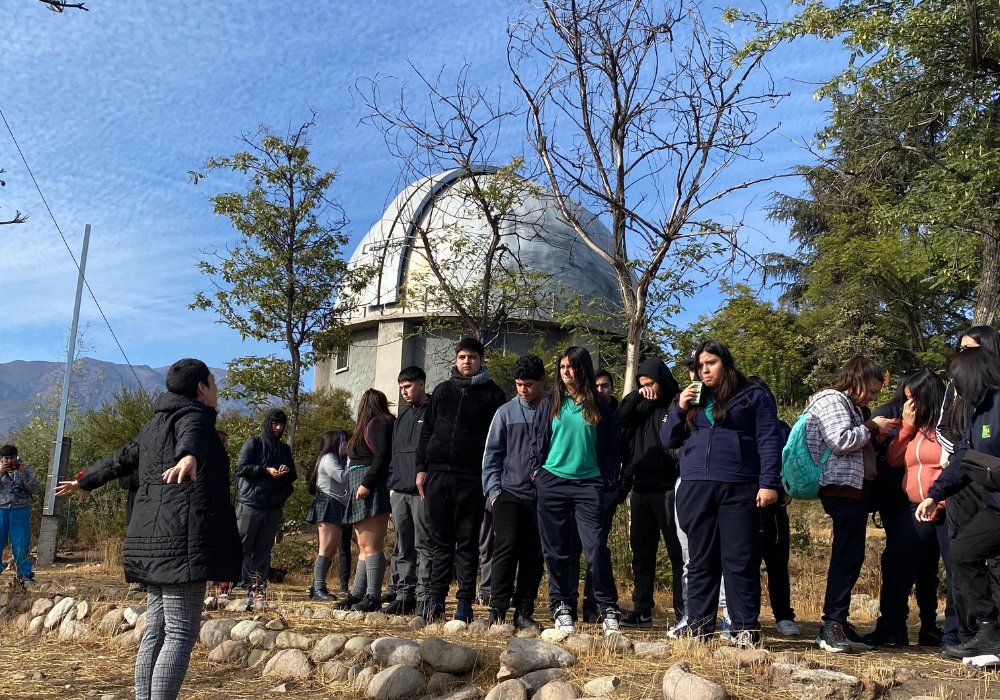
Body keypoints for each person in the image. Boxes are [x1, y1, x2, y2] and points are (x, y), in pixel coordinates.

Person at [56, 358, 241, 700]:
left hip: (153, 539)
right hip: (183, 540)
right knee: (181, 632)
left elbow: (120, 458)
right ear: (201, 388)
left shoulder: (154, 425)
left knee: (156, 629)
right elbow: (193, 437)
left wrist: (85, 481)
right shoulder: (195, 416)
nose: (217, 388)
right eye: (213, 382)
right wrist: (188, 456)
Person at [661, 340, 783, 647]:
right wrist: (680, 407)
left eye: (711, 363)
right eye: (700, 366)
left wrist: (769, 483)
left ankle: (744, 629)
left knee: (740, 560)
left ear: (725, 364)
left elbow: (769, 439)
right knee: (700, 562)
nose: (704, 370)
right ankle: (699, 628)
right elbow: (668, 440)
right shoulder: (691, 399)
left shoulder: (753, 395)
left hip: (741, 486)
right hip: (695, 486)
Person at [805, 356, 897, 653]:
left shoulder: (847, 404)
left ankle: (839, 623)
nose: (873, 397)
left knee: (852, 555)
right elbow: (840, 441)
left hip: (852, 488)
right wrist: (873, 426)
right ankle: (831, 625)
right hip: (841, 487)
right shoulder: (833, 400)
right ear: (858, 380)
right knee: (846, 555)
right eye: (872, 390)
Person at [530, 346, 622, 637]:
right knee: (555, 550)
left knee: (595, 548)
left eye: (571, 366)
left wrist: (605, 479)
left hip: (588, 484)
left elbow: (612, 448)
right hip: (552, 482)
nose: (566, 371)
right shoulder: (550, 402)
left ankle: (608, 609)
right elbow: (536, 440)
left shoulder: (601, 405)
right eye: (561, 367)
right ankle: (560, 606)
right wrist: (537, 473)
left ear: (583, 369)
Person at [865, 369, 957, 650]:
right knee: (895, 561)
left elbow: (955, 466)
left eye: (912, 398)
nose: (908, 404)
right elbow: (894, 459)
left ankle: (955, 634)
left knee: (954, 569)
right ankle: (891, 630)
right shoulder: (915, 428)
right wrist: (906, 426)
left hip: (945, 507)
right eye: (906, 398)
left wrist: (939, 500)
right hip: (915, 507)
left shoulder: (948, 427)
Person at [416, 337, 506, 622]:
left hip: (471, 477)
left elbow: (498, 440)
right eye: (462, 357)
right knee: (439, 542)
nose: (467, 361)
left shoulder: (493, 395)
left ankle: (465, 602)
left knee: (467, 543)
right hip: (437, 474)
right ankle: (435, 600)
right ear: (456, 359)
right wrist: (421, 468)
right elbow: (427, 431)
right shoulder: (442, 391)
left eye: (472, 357)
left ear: (482, 360)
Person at [919, 348, 1000, 659]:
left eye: (957, 380)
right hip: (995, 507)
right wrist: (934, 494)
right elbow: (964, 458)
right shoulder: (975, 411)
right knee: (963, 553)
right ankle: (989, 631)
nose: (955, 388)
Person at [615, 358, 684, 628]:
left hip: (669, 489)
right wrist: (635, 395)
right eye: (642, 385)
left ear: (662, 380)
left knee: (678, 554)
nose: (647, 389)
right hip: (641, 489)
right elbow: (619, 418)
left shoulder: (676, 404)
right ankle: (641, 610)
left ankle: (683, 611)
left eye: (651, 384)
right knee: (642, 555)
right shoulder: (640, 406)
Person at [482, 354, 547, 631]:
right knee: (506, 548)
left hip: (543, 496)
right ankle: (497, 610)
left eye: (529, 384)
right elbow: (491, 454)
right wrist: (493, 492)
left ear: (542, 381)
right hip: (508, 492)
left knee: (534, 554)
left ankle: (523, 612)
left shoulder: (554, 410)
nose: (523, 390)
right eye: (519, 384)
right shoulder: (505, 412)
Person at [567, 368, 621, 623]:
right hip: (575, 486)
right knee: (571, 546)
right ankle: (569, 602)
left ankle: (592, 603)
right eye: (596, 386)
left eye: (605, 386)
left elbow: (616, 451)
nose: (600, 390)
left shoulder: (617, 413)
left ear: (612, 388)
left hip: (603, 490)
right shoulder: (581, 410)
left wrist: (610, 482)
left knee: (596, 548)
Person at [336, 388, 395, 612]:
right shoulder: (368, 426)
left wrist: (367, 484)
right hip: (361, 485)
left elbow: (382, 456)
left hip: (370, 487)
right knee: (363, 545)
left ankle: (373, 596)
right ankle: (357, 593)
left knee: (371, 545)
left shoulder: (378, 423)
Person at [233, 408, 297, 598]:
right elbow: (240, 468)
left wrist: (286, 472)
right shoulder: (253, 443)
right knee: (240, 545)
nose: (278, 428)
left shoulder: (284, 449)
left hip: (274, 505)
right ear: (268, 423)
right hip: (251, 503)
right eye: (274, 424)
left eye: (281, 425)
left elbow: (293, 475)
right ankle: (228, 583)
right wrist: (265, 470)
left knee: (264, 549)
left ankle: (256, 586)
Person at [384, 366, 432, 616]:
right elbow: (394, 454)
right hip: (399, 491)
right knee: (403, 547)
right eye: (401, 387)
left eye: (408, 386)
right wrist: (392, 485)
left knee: (424, 545)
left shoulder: (434, 411)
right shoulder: (401, 416)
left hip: (422, 492)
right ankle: (404, 597)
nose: (404, 391)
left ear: (421, 384)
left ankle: (425, 598)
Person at [305, 430, 349, 601]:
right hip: (328, 502)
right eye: (343, 441)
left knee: (331, 550)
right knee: (325, 548)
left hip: (336, 504)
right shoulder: (329, 457)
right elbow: (341, 477)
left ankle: (317, 586)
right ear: (334, 442)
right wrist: (352, 461)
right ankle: (318, 589)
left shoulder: (335, 459)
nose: (346, 445)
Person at [0, 444, 39, 588]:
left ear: (16, 457)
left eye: (12, 458)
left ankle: (25, 575)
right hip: (1, 509)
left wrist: (24, 474)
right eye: (6, 458)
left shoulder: (24, 469)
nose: (10, 461)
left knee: (21, 544)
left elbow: (34, 487)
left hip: (20, 509)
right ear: (1, 458)